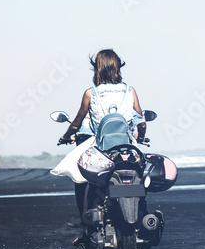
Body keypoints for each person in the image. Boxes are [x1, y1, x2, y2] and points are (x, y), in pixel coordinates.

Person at [59, 49, 147, 218]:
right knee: (141, 174)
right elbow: (141, 123)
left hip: (101, 148)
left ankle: (84, 221)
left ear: (97, 69)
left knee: (81, 178)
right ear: (117, 68)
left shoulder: (90, 93)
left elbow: (77, 122)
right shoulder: (130, 91)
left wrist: (65, 136)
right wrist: (139, 137)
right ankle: (142, 213)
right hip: (127, 148)